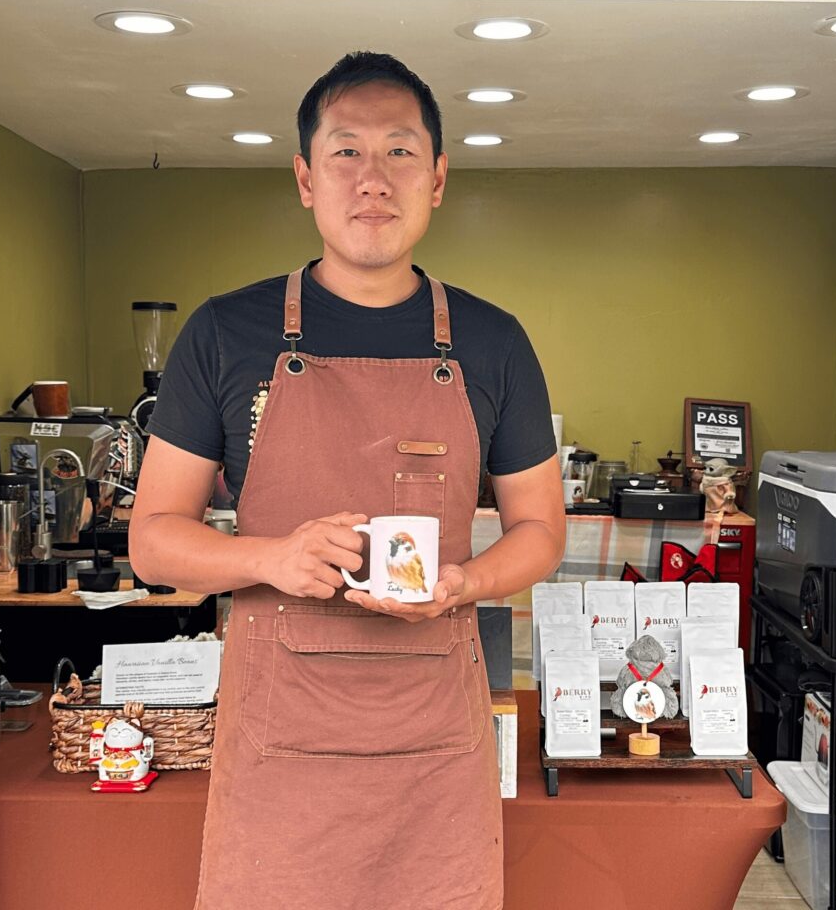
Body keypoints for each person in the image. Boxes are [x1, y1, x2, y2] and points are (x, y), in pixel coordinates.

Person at [129, 51, 566, 909]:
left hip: (434, 743)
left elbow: (540, 531)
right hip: (279, 747)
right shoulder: (224, 333)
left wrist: (465, 583)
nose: (374, 178)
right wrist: (270, 558)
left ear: (437, 178)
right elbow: (153, 542)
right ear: (305, 178)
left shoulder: (494, 342)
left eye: (400, 151)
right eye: (346, 152)